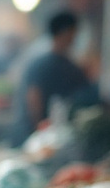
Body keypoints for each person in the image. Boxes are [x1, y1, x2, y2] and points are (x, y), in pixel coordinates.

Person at [10, 11, 90, 146]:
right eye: (74, 32)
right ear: (65, 32)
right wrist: (40, 131)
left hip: (58, 136)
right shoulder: (43, 65)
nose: (75, 38)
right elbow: (33, 97)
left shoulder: (72, 67)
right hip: (36, 137)